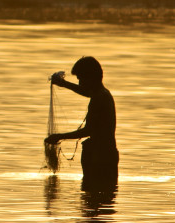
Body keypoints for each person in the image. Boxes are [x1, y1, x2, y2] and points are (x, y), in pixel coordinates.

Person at [44, 56, 119, 186]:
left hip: (100, 158)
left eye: (80, 79)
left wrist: (60, 136)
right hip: (102, 155)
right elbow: (86, 91)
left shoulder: (100, 98)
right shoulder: (101, 94)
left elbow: (89, 130)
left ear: (90, 77)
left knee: (95, 194)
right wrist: (63, 84)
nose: (79, 83)